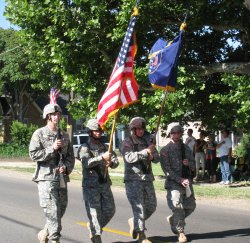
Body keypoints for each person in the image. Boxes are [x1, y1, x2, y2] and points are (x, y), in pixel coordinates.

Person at [29, 103, 75, 243]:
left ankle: (45, 232)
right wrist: (52, 148)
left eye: (58, 114)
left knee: (60, 210)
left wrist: (66, 168)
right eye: (54, 114)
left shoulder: (64, 135)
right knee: (53, 213)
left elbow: (70, 157)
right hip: (46, 178)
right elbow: (33, 154)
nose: (57, 117)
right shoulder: (39, 133)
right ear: (48, 116)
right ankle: (54, 239)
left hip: (60, 178)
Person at [78, 118, 119, 243]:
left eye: (100, 131)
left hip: (104, 184)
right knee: (94, 214)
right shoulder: (85, 148)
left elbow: (116, 161)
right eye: (96, 131)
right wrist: (101, 158)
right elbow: (86, 163)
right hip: (91, 186)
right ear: (90, 132)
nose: (98, 133)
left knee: (110, 210)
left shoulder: (106, 147)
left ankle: (93, 228)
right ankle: (96, 235)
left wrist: (111, 163)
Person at [120, 117, 159, 243]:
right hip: (133, 179)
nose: (141, 131)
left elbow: (157, 159)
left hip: (147, 178)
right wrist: (144, 152)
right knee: (139, 208)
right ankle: (142, 235)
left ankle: (134, 221)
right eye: (138, 129)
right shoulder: (127, 142)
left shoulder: (148, 141)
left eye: (142, 129)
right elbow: (128, 158)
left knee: (152, 206)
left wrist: (152, 155)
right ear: (133, 129)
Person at [160, 124, 196, 243]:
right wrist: (180, 180)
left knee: (191, 206)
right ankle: (180, 232)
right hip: (174, 183)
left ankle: (174, 219)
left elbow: (194, 165)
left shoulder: (186, 148)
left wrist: (189, 164)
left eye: (178, 132)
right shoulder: (165, 150)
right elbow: (167, 170)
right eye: (173, 133)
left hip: (187, 182)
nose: (176, 135)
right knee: (178, 207)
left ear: (181, 133)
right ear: (170, 134)